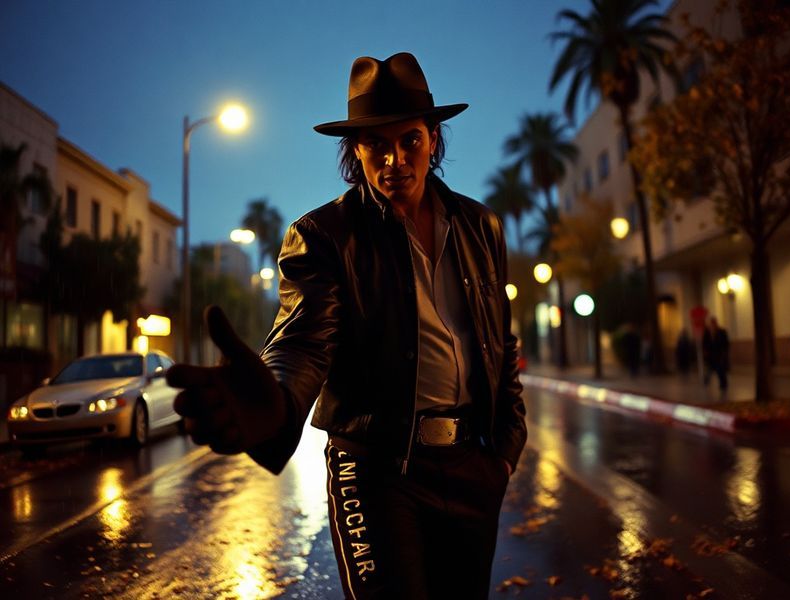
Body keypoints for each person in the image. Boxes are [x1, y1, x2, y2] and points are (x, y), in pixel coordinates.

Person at [167, 52, 527, 600]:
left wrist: (503, 452)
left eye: (408, 140)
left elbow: (500, 342)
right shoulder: (323, 235)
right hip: (376, 471)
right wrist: (276, 401)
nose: (395, 160)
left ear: (433, 138)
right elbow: (304, 339)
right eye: (375, 145)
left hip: (472, 464)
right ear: (354, 151)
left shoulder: (481, 227)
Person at [702, 316, 730, 392]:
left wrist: (724, 353)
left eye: (714, 323)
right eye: (711, 323)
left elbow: (725, 343)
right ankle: (706, 381)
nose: (712, 325)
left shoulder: (721, 332)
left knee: (720, 370)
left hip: (719, 354)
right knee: (710, 370)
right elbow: (705, 343)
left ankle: (723, 384)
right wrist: (705, 352)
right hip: (711, 355)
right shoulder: (707, 333)